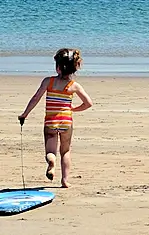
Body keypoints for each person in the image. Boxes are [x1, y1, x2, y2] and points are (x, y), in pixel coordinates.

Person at [18, 48, 94, 188]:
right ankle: (65, 180)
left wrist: (25, 114)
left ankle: (51, 163)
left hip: (50, 122)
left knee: (50, 151)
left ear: (58, 68)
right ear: (75, 68)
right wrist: (73, 109)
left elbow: (36, 98)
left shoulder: (48, 82)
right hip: (66, 122)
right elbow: (88, 103)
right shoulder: (74, 86)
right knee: (65, 151)